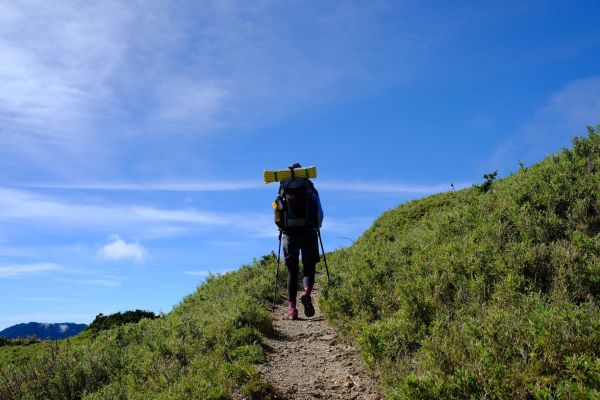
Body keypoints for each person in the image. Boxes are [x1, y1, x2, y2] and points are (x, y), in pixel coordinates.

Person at [274, 163, 324, 320]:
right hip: (308, 232)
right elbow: (319, 212)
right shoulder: (309, 187)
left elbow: (277, 213)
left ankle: (292, 310)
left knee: (292, 272)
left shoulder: (283, 188)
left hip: (289, 235)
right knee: (309, 267)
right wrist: (317, 226)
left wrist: (281, 227)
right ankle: (306, 291)